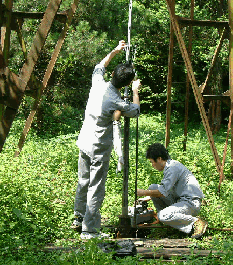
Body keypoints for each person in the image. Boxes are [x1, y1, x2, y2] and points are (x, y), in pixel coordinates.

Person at [73, 40, 141, 239]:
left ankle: (78, 217)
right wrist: (136, 91)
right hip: (98, 148)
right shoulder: (115, 101)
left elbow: (99, 67)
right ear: (127, 83)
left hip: (84, 142)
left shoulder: (98, 85)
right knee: (96, 187)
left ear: (112, 75)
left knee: (83, 181)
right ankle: (90, 230)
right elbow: (135, 111)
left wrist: (115, 51)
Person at [136, 143, 208, 239]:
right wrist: (147, 197)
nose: (152, 165)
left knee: (163, 215)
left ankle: (195, 222)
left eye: (152, 162)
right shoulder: (170, 166)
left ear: (159, 159)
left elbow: (162, 192)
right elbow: (163, 190)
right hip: (181, 201)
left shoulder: (172, 168)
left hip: (190, 203)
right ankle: (170, 223)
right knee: (153, 187)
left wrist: (143, 192)